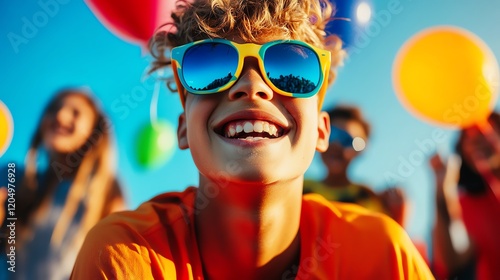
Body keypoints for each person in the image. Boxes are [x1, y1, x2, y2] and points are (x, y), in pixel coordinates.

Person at [71, 0, 433, 279]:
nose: (252, 86)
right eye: (209, 68)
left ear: (321, 130)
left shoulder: (382, 255)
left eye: (291, 69)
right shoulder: (126, 255)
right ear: (183, 128)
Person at [0, 88, 126, 280]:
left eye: (75, 112)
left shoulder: (106, 192)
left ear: (94, 130)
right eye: (53, 109)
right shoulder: (13, 177)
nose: (60, 115)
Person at [304, 105, 408, 227]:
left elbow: (381, 239)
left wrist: (398, 218)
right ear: (320, 136)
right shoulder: (300, 189)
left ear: (360, 151)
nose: (337, 144)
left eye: (348, 141)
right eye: (332, 135)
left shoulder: (367, 198)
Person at [430, 112, 500, 280]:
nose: (475, 140)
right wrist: (443, 192)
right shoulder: (464, 204)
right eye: (467, 137)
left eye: (485, 130)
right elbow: (453, 263)